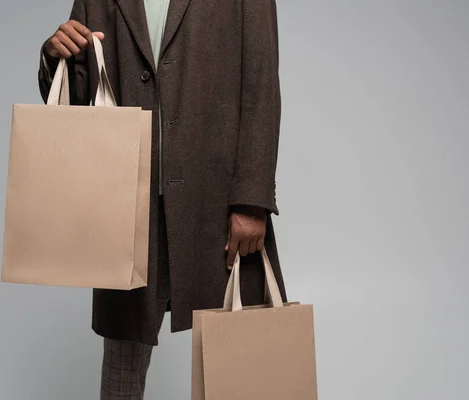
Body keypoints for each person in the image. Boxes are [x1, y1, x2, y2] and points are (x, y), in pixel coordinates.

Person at [38, 0, 287, 398]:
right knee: (122, 363)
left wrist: (252, 199)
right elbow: (84, 97)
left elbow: (260, 86)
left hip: (217, 206)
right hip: (128, 206)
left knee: (238, 362)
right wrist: (56, 57)